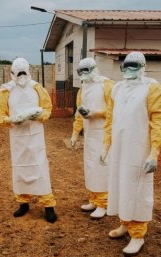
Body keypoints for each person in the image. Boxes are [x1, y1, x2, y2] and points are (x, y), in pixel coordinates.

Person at [100, 52, 161, 256]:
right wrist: (106, 146)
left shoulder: (152, 88)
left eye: (134, 65)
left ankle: (137, 235)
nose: (129, 69)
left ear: (142, 66)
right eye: (126, 65)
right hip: (119, 151)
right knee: (121, 187)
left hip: (139, 150)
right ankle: (124, 224)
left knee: (137, 191)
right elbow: (110, 120)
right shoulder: (117, 89)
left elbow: (159, 122)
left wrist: (154, 152)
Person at [0, 57, 57, 223]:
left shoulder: (37, 87)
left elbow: (47, 108)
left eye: (23, 72)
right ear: (12, 73)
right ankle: (23, 203)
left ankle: (48, 206)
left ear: (29, 71)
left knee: (40, 168)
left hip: (35, 135)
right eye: (17, 72)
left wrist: (39, 115)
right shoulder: (6, 90)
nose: (21, 76)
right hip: (17, 136)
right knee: (20, 169)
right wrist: (12, 120)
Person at [70, 57, 113, 219]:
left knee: (102, 168)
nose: (83, 75)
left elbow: (114, 111)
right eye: (81, 72)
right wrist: (75, 133)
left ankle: (105, 203)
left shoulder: (107, 85)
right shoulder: (83, 88)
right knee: (91, 167)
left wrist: (96, 113)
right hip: (90, 135)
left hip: (104, 134)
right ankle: (94, 199)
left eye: (86, 71)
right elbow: (79, 113)